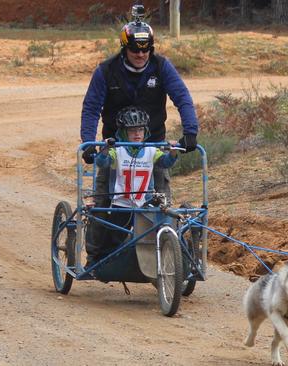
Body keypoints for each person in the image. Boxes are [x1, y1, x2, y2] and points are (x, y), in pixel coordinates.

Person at [80, 5, 198, 206]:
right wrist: (89, 143)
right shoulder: (106, 71)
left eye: (146, 49)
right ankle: (99, 230)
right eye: (135, 49)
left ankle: (165, 236)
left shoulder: (161, 67)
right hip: (115, 148)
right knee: (104, 211)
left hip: (153, 147)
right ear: (124, 48)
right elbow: (91, 108)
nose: (141, 54)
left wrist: (190, 132)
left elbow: (182, 98)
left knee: (160, 208)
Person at [86, 106, 178, 264]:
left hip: (144, 204)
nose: (137, 134)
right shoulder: (118, 151)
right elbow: (103, 162)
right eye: (132, 130)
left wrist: (174, 151)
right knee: (113, 241)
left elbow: (165, 162)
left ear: (146, 131)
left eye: (140, 130)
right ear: (123, 132)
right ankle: (104, 262)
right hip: (121, 204)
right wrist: (105, 149)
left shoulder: (151, 151)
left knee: (150, 238)